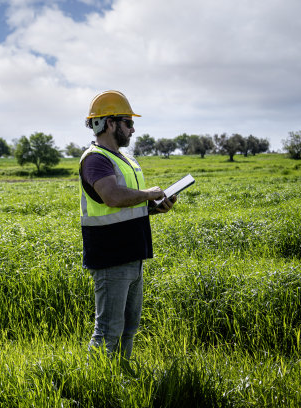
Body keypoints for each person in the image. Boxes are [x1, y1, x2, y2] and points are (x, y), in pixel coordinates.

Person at [79, 90, 176, 365]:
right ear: (110, 124)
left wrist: (155, 207)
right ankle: (95, 387)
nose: (132, 129)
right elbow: (112, 197)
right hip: (111, 256)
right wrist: (149, 194)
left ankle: (119, 380)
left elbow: (125, 205)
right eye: (127, 122)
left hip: (133, 254)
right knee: (107, 331)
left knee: (128, 329)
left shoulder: (125, 159)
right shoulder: (96, 159)